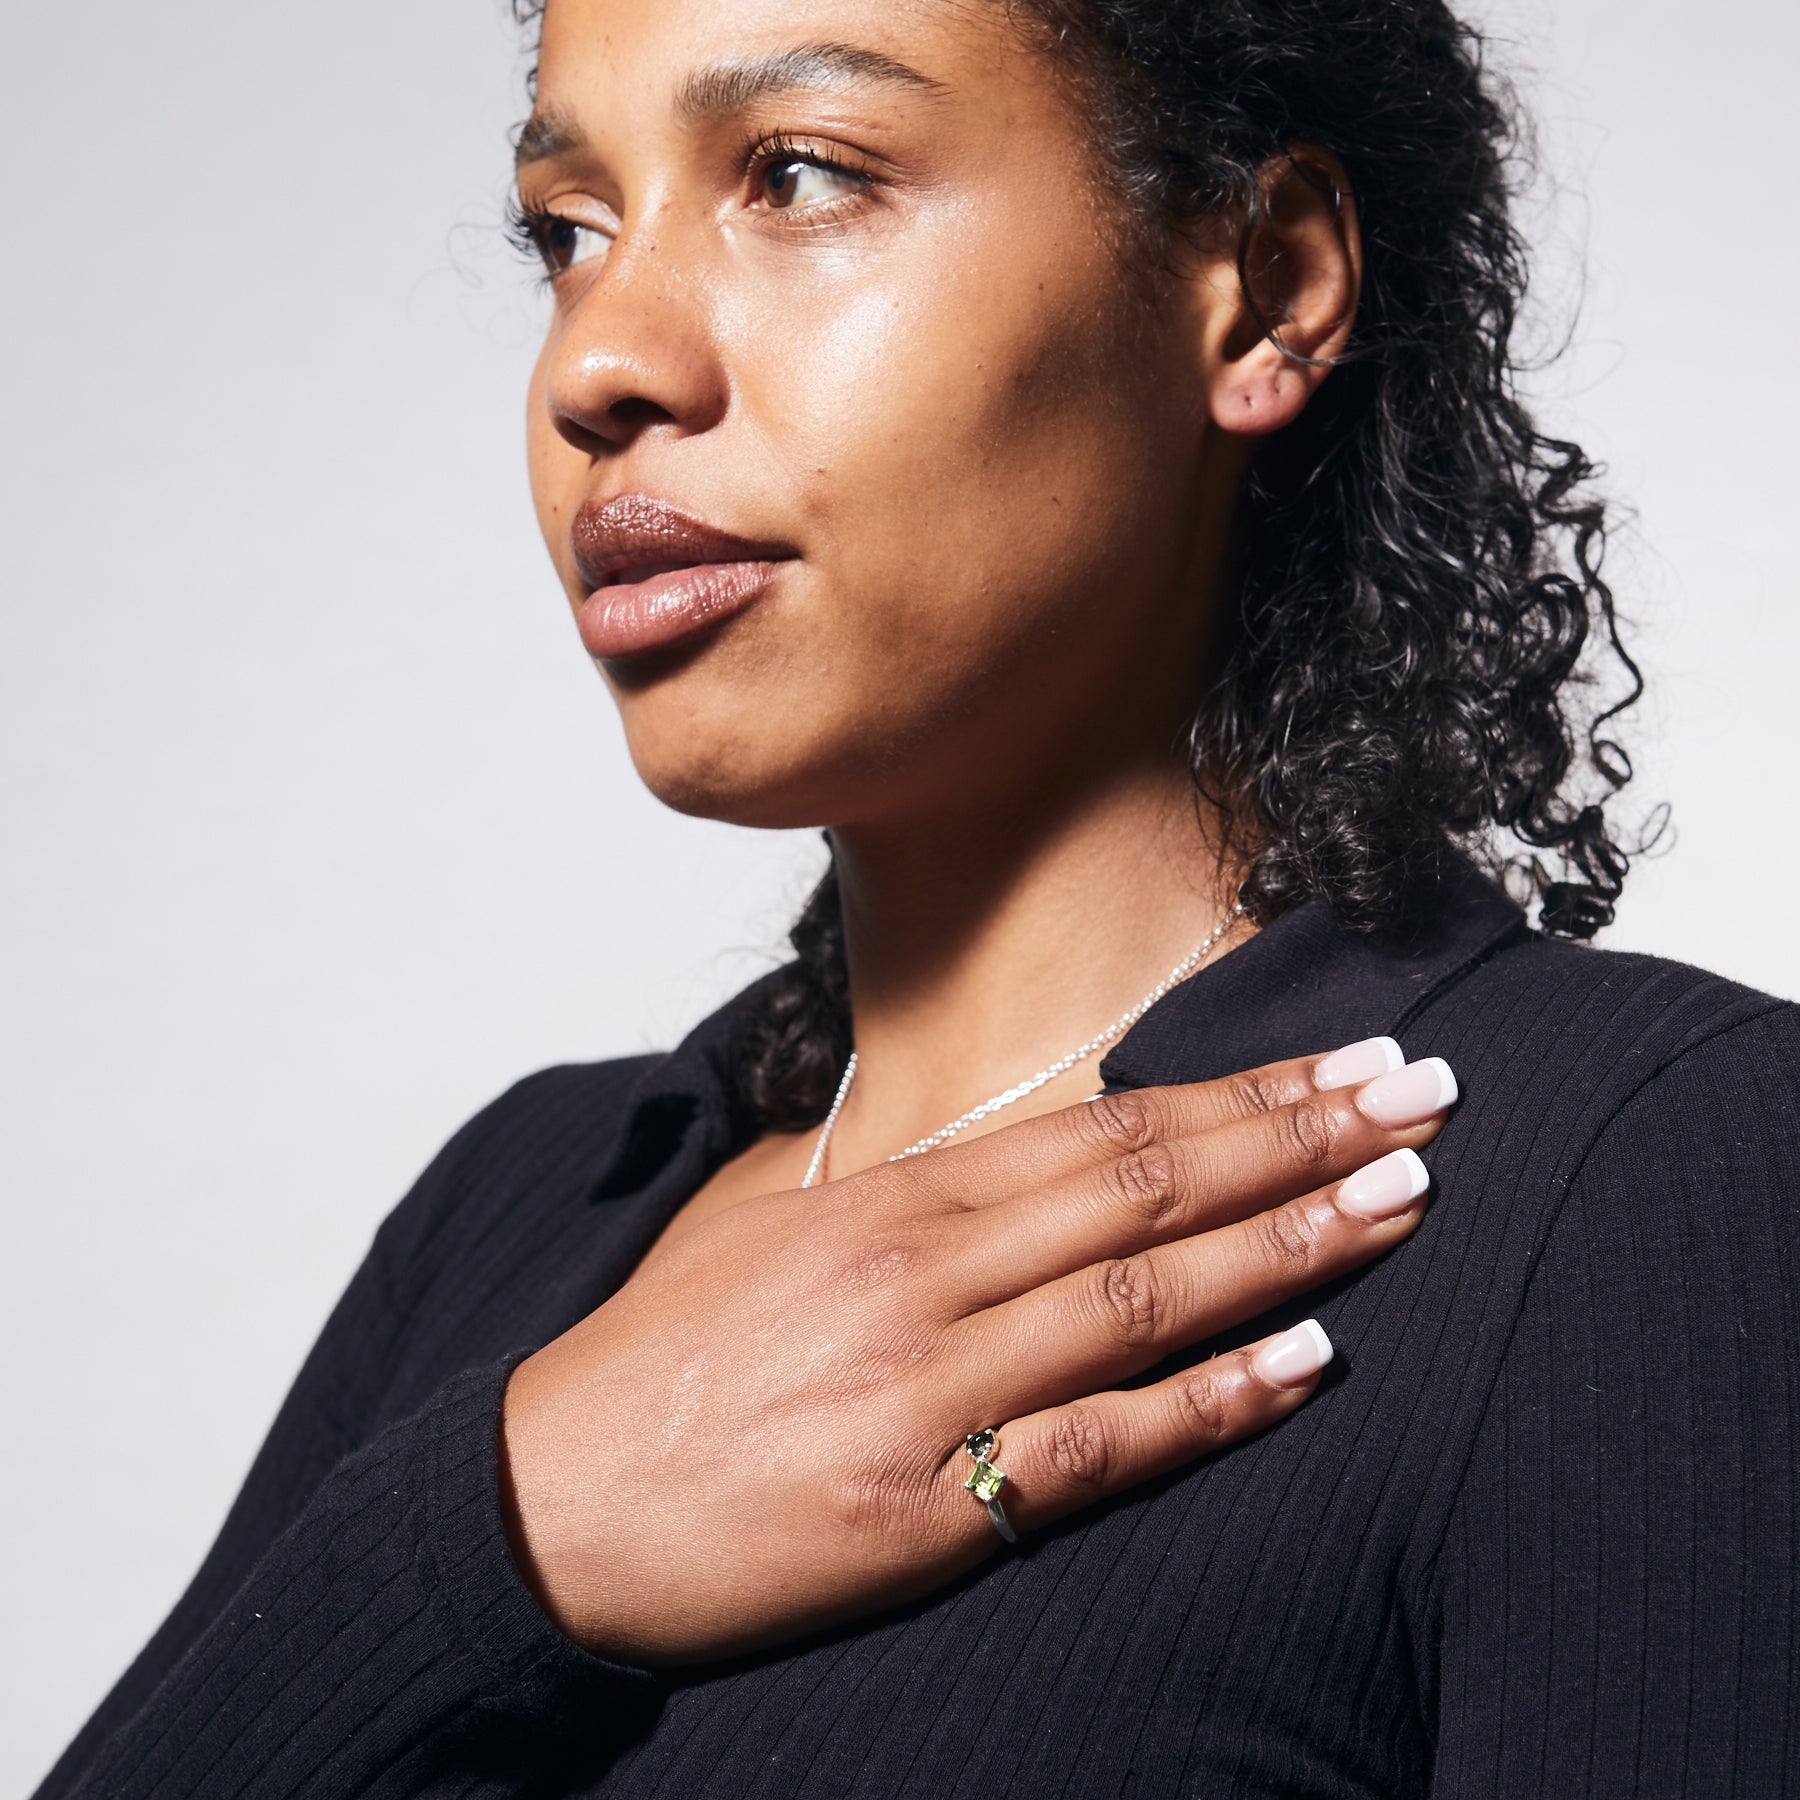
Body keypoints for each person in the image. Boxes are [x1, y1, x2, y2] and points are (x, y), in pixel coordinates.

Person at [34, 0, 1798, 1793]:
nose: (599, 365)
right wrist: (497, 1536)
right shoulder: (517, 1213)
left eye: (799, 174)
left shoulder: (1653, 1181)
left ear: (1265, 283)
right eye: (571, 228)